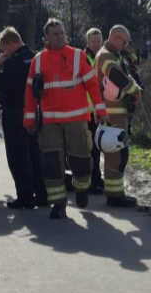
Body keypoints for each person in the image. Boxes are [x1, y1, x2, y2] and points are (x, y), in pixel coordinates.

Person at [23, 18, 109, 219]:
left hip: (77, 119)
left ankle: (81, 189)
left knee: (81, 161)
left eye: (61, 32)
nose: (60, 36)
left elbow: (92, 86)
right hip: (50, 122)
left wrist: (100, 110)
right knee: (52, 164)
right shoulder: (39, 60)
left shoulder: (78, 56)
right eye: (55, 34)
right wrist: (28, 120)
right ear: (46, 36)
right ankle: (59, 204)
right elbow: (29, 92)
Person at [0, 27, 48, 209]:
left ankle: (25, 196)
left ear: (11, 44)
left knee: (17, 156)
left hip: (14, 112)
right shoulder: (35, 58)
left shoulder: (12, 62)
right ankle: (42, 194)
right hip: (33, 111)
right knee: (34, 153)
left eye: (4, 49)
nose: (4, 53)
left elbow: (0, 85)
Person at [94, 25, 142, 207]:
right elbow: (115, 75)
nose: (126, 46)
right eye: (125, 42)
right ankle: (114, 196)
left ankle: (117, 192)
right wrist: (134, 90)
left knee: (121, 153)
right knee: (116, 154)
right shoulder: (106, 55)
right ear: (115, 38)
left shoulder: (112, 54)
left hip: (116, 113)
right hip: (112, 114)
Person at [83, 28, 104, 194]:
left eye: (98, 41)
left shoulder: (99, 58)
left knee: (96, 148)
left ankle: (96, 178)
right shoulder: (86, 59)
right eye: (93, 41)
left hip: (96, 110)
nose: (96, 44)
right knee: (90, 149)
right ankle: (91, 181)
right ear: (87, 43)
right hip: (87, 111)